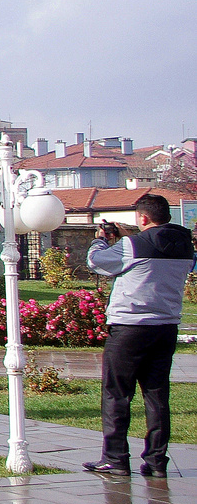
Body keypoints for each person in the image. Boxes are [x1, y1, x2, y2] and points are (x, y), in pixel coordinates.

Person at [83, 193, 195, 478]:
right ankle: (157, 461)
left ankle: (115, 458)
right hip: (166, 327)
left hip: (130, 327)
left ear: (143, 218)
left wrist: (102, 239)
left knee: (117, 393)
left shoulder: (131, 245)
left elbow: (97, 262)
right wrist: (129, 237)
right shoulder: (185, 246)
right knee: (157, 395)